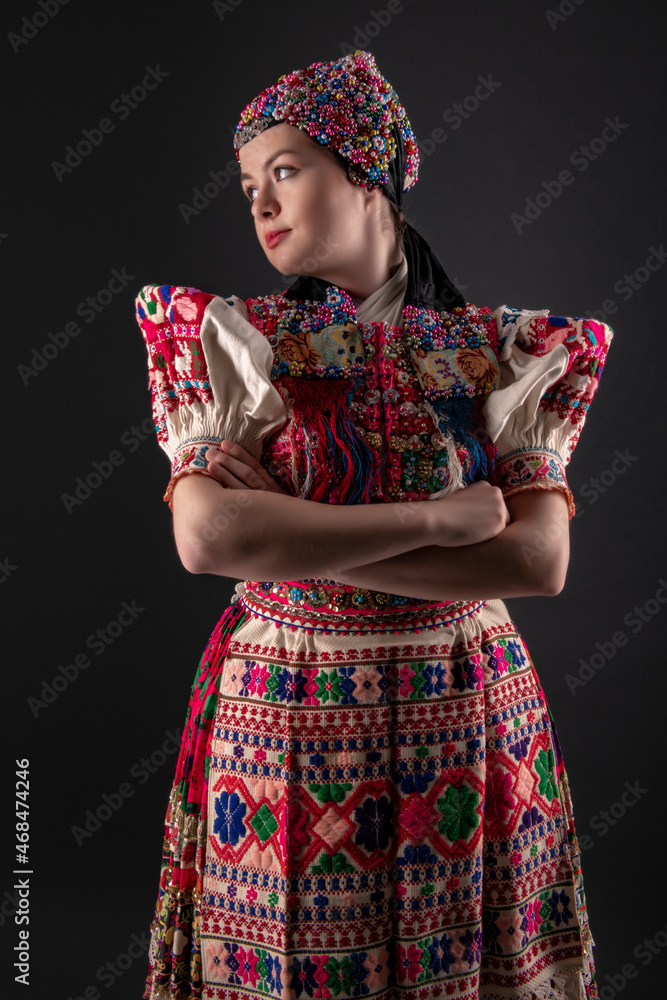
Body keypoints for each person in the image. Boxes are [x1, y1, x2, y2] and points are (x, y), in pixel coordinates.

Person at [135, 50, 612, 1000]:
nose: (261, 203)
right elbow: (209, 540)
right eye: (247, 185)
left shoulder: (501, 351)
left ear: (366, 173)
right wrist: (440, 519)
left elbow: (535, 558)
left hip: (468, 713)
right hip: (285, 716)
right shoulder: (230, 341)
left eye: (284, 170)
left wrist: (295, 536)